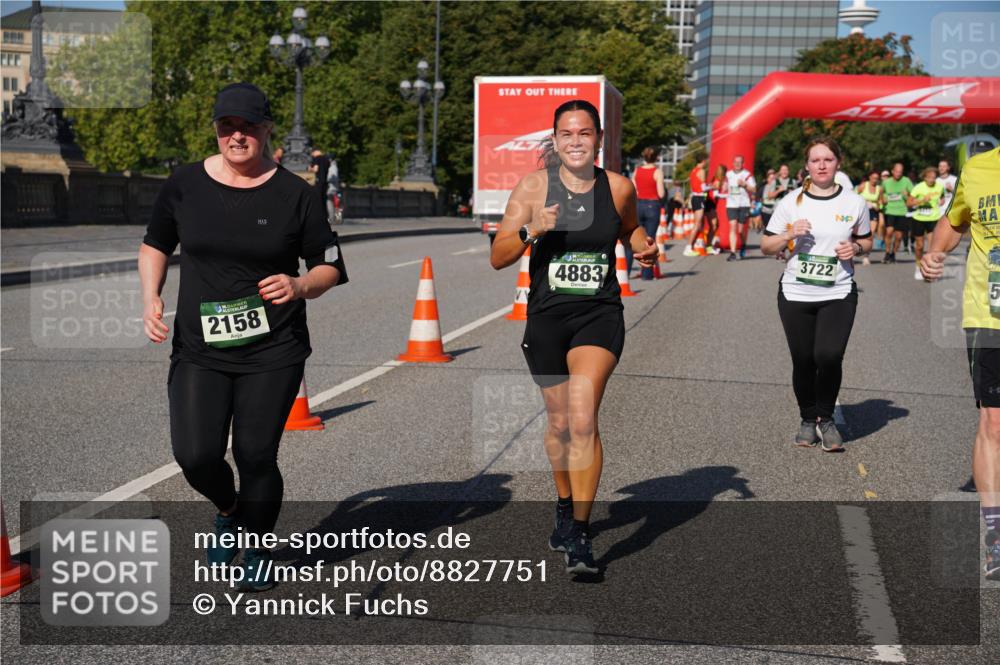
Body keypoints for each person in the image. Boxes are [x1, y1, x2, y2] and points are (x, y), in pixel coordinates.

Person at [139, 82, 349, 590]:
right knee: (196, 455)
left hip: (272, 348)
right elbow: (155, 245)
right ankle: (231, 511)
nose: (237, 136)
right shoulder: (185, 183)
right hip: (200, 346)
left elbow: (332, 267)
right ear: (215, 129)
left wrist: (299, 284)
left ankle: (256, 544)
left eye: (248, 127)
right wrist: (151, 296)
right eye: (227, 127)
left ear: (266, 130)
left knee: (256, 454)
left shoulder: (296, 194)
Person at [489, 99, 657, 575]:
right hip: (546, 318)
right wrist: (531, 227)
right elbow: (499, 256)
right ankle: (565, 503)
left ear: (599, 139)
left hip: (598, 315)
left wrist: (644, 247)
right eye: (567, 133)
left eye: (585, 133)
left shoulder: (619, 187)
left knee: (583, 418)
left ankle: (580, 534)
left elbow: (631, 228)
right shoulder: (533, 187)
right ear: (555, 139)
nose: (576, 141)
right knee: (559, 424)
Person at [760, 136, 872, 452]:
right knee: (804, 360)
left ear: (838, 162)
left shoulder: (854, 202)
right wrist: (788, 234)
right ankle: (808, 418)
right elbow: (766, 246)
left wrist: (856, 247)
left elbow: (867, 240)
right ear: (807, 165)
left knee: (829, 355)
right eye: (815, 160)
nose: (821, 165)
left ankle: (826, 418)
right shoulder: (791, 202)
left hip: (838, 290)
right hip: (795, 292)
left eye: (828, 159)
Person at [919, 144, 1000, 580]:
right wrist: (935, 253)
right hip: (991, 316)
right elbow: (952, 225)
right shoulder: (979, 169)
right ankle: (996, 537)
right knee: (994, 423)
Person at [631, 147, 666, 280]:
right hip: (652, 205)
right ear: (656, 157)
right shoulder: (657, 172)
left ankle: (626, 270)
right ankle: (647, 274)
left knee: (636, 238)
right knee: (650, 240)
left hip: (638, 205)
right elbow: (661, 193)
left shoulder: (637, 171)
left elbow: (634, 189)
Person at [907, 166, 945, 281]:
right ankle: (918, 267)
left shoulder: (939, 187)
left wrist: (941, 201)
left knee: (933, 246)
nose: (931, 180)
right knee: (920, 246)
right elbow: (909, 203)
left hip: (933, 218)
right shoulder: (918, 187)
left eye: (934, 178)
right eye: (929, 178)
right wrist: (923, 200)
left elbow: (942, 197)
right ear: (924, 177)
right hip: (919, 219)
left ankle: (929, 270)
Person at [881, 162, 913, 264]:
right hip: (889, 210)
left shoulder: (906, 181)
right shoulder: (886, 182)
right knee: (889, 232)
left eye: (901, 172)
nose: (898, 174)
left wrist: (907, 196)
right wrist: (883, 199)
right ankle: (887, 252)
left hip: (902, 212)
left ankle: (893, 254)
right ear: (892, 171)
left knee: (899, 236)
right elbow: (881, 194)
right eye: (897, 171)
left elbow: (913, 195)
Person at [725, 155, 756, 261]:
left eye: (740, 162)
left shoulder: (747, 175)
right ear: (733, 163)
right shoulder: (728, 174)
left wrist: (744, 185)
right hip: (731, 204)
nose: (737, 164)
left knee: (740, 230)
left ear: (743, 164)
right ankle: (733, 252)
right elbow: (724, 184)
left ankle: (743, 245)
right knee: (732, 226)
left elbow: (754, 189)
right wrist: (723, 186)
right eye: (736, 162)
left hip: (744, 204)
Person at [856, 171, 882, 266]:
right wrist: (864, 201)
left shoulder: (879, 189)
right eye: (873, 178)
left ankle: (866, 256)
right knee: (857, 232)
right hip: (862, 210)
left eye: (877, 178)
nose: (875, 180)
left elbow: (881, 201)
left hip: (873, 212)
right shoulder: (863, 186)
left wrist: (878, 206)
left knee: (871, 233)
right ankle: (854, 249)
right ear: (869, 177)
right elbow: (854, 196)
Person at [685, 153, 708, 256]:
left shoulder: (693, 171)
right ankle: (688, 247)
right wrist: (713, 187)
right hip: (699, 197)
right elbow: (703, 188)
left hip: (695, 197)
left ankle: (696, 243)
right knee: (697, 223)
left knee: (698, 223)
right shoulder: (701, 171)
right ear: (703, 160)